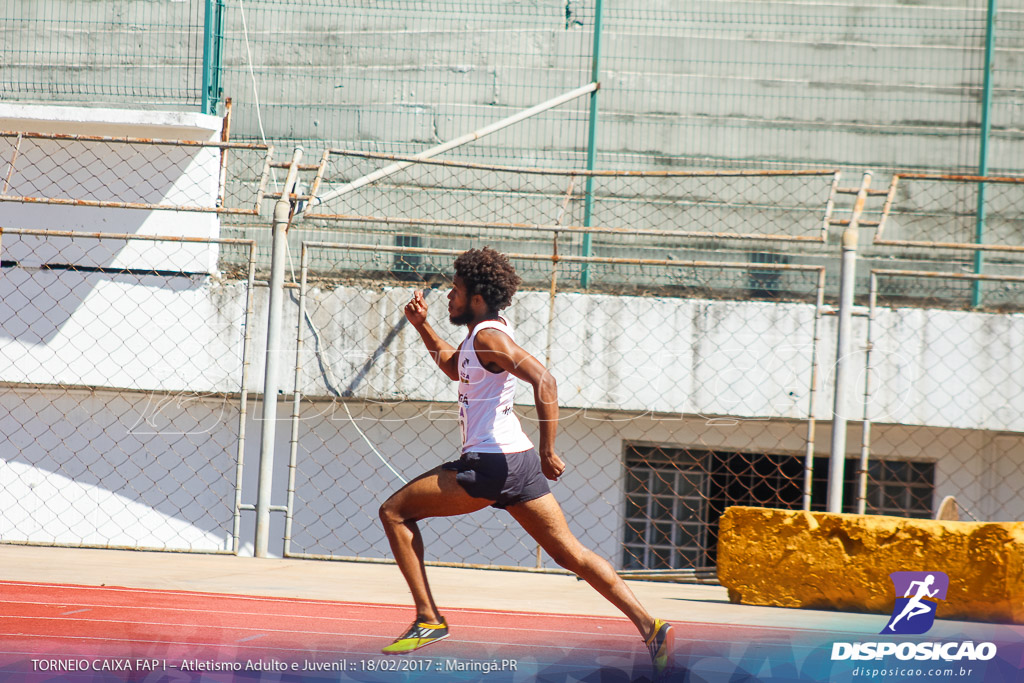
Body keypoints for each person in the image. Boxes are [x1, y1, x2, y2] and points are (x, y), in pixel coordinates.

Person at [378, 247, 674, 675]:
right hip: (516, 464)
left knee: (394, 513)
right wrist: (423, 327)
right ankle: (652, 627)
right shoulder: (481, 336)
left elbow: (544, 378)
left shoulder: (488, 337)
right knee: (572, 554)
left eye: (456, 291)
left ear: (477, 298)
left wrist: (549, 447)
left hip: (490, 463)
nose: (448, 297)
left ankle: (428, 619)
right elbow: (453, 367)